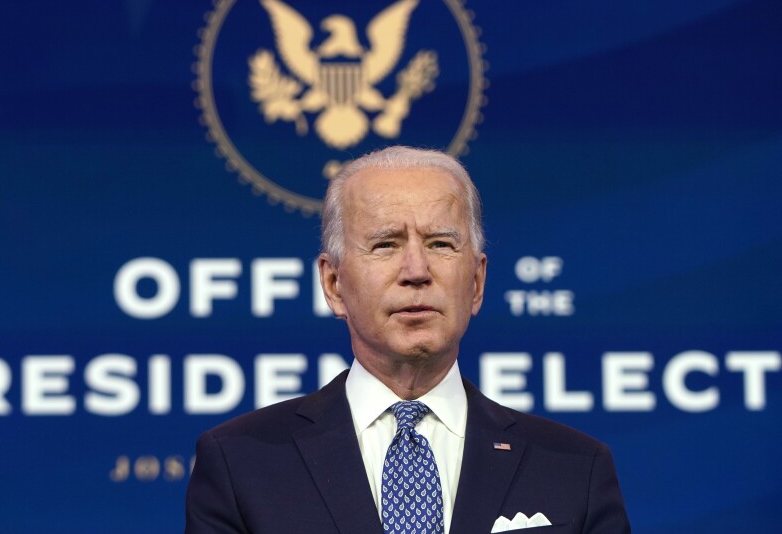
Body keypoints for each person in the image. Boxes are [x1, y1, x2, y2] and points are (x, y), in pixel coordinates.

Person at [185, 146, 630, 533]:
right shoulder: (240, 463)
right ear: (334, 284)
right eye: (386, 245)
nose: (416, 271)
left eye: (440, 244)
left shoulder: (574, 467)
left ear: (476, 283)